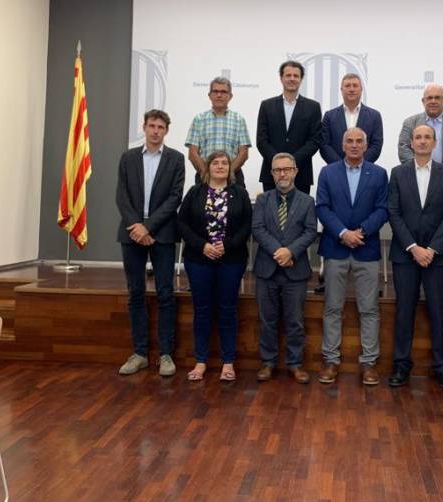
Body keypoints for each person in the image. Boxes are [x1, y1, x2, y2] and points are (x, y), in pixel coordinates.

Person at [388, 125, 443, 390]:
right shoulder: (397, 174)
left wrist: (431, 249)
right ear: (411, 142)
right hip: (405, 255)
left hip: (437, 257)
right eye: (417, 137)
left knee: (440, 313)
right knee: (404, 311)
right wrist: (413, 247)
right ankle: (401, 365)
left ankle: (442, 368)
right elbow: (393, 212)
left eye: (427, 137)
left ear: (434, 142)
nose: (422, 141)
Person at [315, 127, 388, 385]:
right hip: (336, 248)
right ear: (342, 145)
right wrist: (343, 233)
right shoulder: (327, 172)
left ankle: (369, 363)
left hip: (366, 250)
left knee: (369, 309)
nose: (355, 145)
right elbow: (322, 208)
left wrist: (361, 232)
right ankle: (331, 361)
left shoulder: (379, 174)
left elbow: (382, 209)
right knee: (333, 307)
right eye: (350, 141)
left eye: (359, 141)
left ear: (366, 146)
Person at [116, 109, 185, 376]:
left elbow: (174, 197)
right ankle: (140, 353)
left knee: (165, 294)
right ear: (144, 128)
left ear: (166, 130)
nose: (156, 131)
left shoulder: (176, 159)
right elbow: (121, 195)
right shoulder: (128, 157)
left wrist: (149, 226)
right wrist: (137, 226)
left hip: (162, 232)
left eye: (160, 127)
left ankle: (166, 354)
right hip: (131, 231)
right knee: (135, 293)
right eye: (151, 126)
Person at [177, 151, 252, 381]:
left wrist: (225, 246)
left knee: (228, 310)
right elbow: (182, 223)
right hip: (199, 259)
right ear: (207, 168)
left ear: (231, 169)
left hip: (231, 260)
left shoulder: (239, 193)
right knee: (202, 310)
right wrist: (203, 246)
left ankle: (228, 363)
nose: (220, 166)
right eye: (216, 163)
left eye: (225, 163)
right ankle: (200, 362)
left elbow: (247, 226)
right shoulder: (195, 192)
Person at [252, 153, 318, 383]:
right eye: (278, 170)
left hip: (295, 270)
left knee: (295, 320)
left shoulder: (307, 201)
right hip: (266, 269)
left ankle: (295, 363)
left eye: (287, 169)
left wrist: (290, 252)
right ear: (271, 173)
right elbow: (258, 229)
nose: (282, 174)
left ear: (295, 171)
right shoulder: (262, 200)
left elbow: (310, 231)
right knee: (267, 319)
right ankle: (268, 362)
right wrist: (279, 252)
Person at [256, 60, 322, 194]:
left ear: (301, 79)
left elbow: (314, 141)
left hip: (300, 173)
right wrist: (278, 164)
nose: (292, 79)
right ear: (281, 78)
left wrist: (291, 164)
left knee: (299, 214)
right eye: (288, 75)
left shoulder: (313, 107)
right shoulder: (267, 106)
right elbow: (261, 140)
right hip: (271, 175)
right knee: (271, 214)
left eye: (296, 76)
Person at [185, 76, 251, 187]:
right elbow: (193, 152)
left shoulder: (239, 120)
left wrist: (228, 172)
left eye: (223, 92)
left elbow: (243, 153)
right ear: (209, 95)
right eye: (215, 91)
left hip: (233, 177)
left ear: (230, 96)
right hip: (204, 177)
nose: (219, 95)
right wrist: (206, 173)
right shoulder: (199, 119)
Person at [397, 84, 443, 170]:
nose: (433, 101)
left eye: (437, 97)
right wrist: (421, 169)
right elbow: (403, 148)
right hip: (416, 177)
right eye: (429, 98)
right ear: (423, 101)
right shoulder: (409, 123)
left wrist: (441, 172)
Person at [319, 73, 383, 164]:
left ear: (361, 89)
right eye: (348, 86)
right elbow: (324, 145)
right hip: (336, 172)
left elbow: (376, 145)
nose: (351, 89)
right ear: (341, 90)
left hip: (365, 171)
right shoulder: (329, 116)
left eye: (355, 86)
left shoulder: (374, 116)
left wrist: (360, 164)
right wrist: (341, 166)